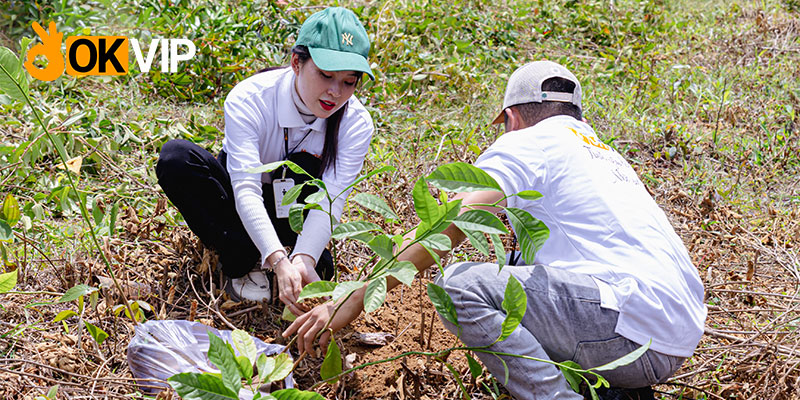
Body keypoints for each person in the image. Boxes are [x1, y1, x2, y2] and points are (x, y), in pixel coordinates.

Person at [284, 61, 707, 399]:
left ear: (512, 118)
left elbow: (451, 226)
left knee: (461, 284)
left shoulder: (529, 141)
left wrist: (355, 299)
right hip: (671, 340)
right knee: (517, 261)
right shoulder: (603, 154)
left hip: (624, 325)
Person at [156, 7, 375, 315]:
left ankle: (293, 256)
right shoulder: (249, 98)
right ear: (297, 63)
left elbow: (331, 200)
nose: (335, 92)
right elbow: (245, 187)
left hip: (292, 212)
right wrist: (276, 258)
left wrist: (304, 258)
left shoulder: (356, 123)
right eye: (325, 75)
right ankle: (242, 258)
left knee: (322, 270)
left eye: (349, 82)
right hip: (239, 204)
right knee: (176, 158)